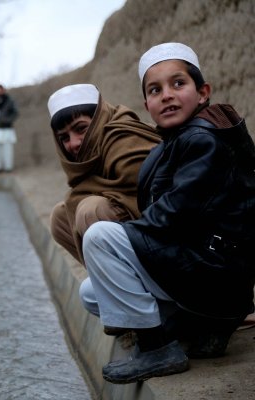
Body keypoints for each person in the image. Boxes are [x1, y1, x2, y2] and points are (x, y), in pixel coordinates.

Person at [79, 42, 255, 384]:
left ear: (202, 92)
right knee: (90, 292)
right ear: (146, 104)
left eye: (178, 84)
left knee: (101, 236)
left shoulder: (205, 141)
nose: (167, 95)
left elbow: (173, 216)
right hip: (199, 271)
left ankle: (157, 347)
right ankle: (198, 329)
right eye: (155, 90)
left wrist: (126, 240)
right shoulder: (174, 143)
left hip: (216, 274)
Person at [47, 84, 159, 263]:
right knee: (60, 217)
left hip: (161, 238)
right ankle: (111, 279)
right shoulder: (86, 159)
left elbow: (149, 194)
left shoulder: (124, 137)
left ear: (99, 117)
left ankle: (139, 282)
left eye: (81, 129)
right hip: (131, 234)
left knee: (90, 210)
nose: (73, 143)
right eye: (64, 138)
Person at [0, 84, 19, 173]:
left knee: (7, 149)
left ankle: (8, 167)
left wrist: (7, 120)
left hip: (7, 129)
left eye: (1, 90)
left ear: (4, 90)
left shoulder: (9, 101)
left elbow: (15, 113)